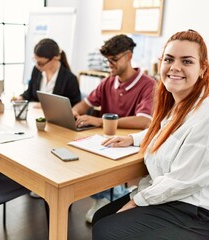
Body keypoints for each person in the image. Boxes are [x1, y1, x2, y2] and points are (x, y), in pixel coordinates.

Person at [92, 30, 209, 240]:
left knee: (107, 230)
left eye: (187, 61)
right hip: (181, 198)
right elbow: (168, 132)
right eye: (169, 59)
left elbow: (182, 181)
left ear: (202, 68)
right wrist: (133, 139)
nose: (175, 67)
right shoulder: (182, 104)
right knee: (100, 217)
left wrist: (135, 201)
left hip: (201, 211)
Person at [72, 34, 156, 223]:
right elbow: (83, 105)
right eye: (107, 60)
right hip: (107, 143)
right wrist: (74, 113)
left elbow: (144, 121)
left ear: (128, 56)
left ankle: (112, 195)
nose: (109, 64)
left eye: (114, 60)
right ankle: (108, 196)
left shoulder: (148, 85)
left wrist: (101, 121)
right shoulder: (108, 82)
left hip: (131, 145)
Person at [18, 38, 81, 108]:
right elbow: (30, 92)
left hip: (56, 118)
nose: (37, 66)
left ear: (55, 59)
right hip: (35, 115)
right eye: (36, 61)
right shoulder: (36, 70)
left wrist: (47, 106)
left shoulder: (70, 79)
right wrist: (21, 97)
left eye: (40, 63)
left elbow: (74, 107)